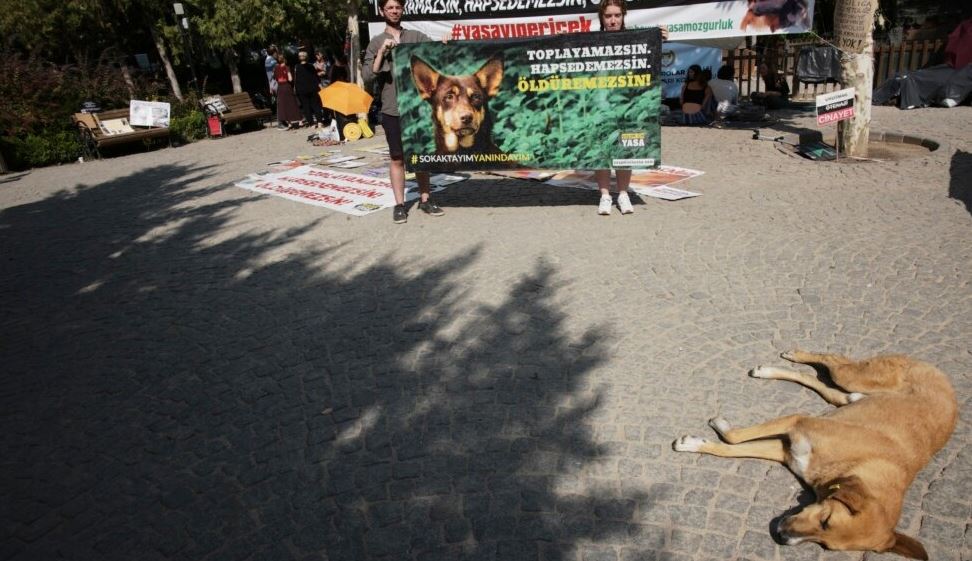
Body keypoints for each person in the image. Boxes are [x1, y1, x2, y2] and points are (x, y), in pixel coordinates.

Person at [363, 0, 444, 224]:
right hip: (392, 108)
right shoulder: (376, 42)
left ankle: (426, 199)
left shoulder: (415, 37)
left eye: (397, 7)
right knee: (397, 157)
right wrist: (381, 52)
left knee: (420, 156)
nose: (394, 11)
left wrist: (446, 44)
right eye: (389, 8)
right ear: (382, 11)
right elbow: (368, 76)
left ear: (402, 10)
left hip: (418, 108)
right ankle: (400, 205)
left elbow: (436, 53)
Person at [294, 50, 325, 128]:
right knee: (316, 105)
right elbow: (316, 78)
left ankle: (311, 124)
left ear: (299, 58)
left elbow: (296, 79)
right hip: (312, 88)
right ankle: (320, 122)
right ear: (306, 57)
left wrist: (296, 89)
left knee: (306, 106)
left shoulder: (296, 67)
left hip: (302, 90)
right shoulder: (311, 66)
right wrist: (320, 86)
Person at [273, 53, 302, 129]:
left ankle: (289, 123)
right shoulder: (287, 67)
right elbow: (290, 79)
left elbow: (275, 78)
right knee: (293, 103)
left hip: (280, 88)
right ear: (284, 60)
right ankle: (300, 121)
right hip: (287, 87)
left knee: (284, 105)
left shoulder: (276, 68)